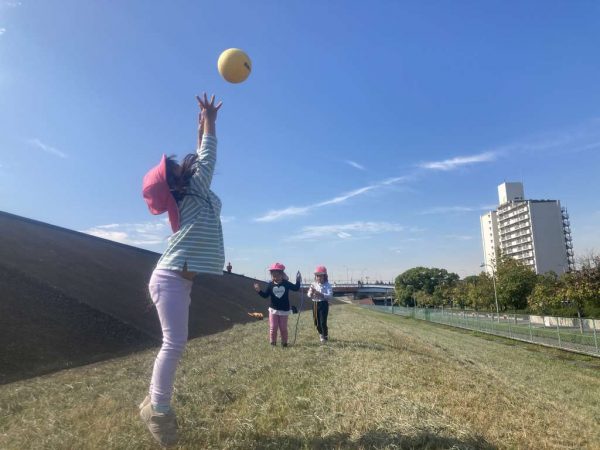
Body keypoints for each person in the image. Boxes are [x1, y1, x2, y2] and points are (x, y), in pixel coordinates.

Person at [139, 93, 224, 447]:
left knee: (174, 342)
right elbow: (207, 159)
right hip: (170, 278)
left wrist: (200, 127)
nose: (177, 167)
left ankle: (152, 403)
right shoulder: (191, 193)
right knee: (173, 343)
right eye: (171, 170)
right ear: (174, 186)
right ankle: (158, 411)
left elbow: (200, 163)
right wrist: (210, 123)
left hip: (175, 281)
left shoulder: (192, 194)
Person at [253, 262, 301, 347]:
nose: (275, 277)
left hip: (284, 310)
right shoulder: (270, 285)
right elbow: (265, 295)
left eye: (277, 275)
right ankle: (273, 343)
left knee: (283, 328)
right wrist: (259, 291)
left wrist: (298, 280)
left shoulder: (286, 283)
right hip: (273, 310)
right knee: (273, 327)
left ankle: (284, 343)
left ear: (282, 274)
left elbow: (296, 288)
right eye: (273, 275)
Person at [307, 266, 333, 343]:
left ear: (325, 276)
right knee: (316, 322)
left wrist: (320, 294)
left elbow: (330, 296)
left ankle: (325, 336)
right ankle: (321, 334)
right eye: (317, 276)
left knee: (323, 321)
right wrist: (311, 293)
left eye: (321, 275)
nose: (319, 277)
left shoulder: (327, 285)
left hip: (323, 304)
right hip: (315, 304)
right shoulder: (313, 284)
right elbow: (308, 295)